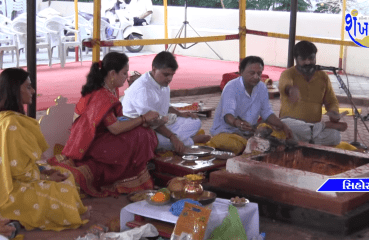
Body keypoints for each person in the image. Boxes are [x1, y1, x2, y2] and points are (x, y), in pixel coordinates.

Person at [48, 52, 159, 197]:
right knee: (140, 135)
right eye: (124, 73)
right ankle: (130, 174)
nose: (127, 77)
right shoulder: (102, 95)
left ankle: (136, 170)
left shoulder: (111, 88)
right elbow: (115, 128)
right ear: (113, 73)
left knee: (143, 132)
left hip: (102, 134)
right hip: (90, 142)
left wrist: (140, 121)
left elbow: (115, 120)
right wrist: (143, 119)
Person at [0, 68, 90, 231]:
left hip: (18, 177)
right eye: (28, 87)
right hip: (9, 188)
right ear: (15, 90)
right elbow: (18, 171)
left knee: (66, 173)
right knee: (60, 187)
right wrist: (46, 178)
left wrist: (46, 172)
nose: (33, 91)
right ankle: (63, 215)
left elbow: (25, 163)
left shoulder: (9, 118)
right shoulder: (12, 124)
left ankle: (70, 212)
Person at [122, 51, 211, 153]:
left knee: (195, 121)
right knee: (155, 140)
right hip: (141, 129)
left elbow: (165, 105)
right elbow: (151, 122)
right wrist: (172, 137)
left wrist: (180, 114)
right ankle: (191, 141)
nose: (170, 79)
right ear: (154, 69)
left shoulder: (163, 85)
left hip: (161, 124)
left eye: (172, 75)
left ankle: (179, 141)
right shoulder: (142, 88)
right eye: (166, 74)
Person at [208, 56, 293, 155]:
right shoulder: (231, 87)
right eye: (252, 73)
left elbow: (267, 113)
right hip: (227, 132)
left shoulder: (262, 87)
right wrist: (238, 123)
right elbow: (228, 116)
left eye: (259, 73)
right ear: (241, 71)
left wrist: (284, 126)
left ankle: (253, 145)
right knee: (232, 144)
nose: (256, 77)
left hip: (250, 132)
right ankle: (254, 145)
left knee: (280, 133)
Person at [278, 41, 348, 146]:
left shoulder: (323, 76)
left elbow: (331, 101)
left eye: (311, 58)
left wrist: (334, 112)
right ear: (296, 59)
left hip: (311, 127)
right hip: (292, 125)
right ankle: (323, 127)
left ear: (315, 57)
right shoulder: (288, 74)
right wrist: (291, 90)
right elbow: (285, 85)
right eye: (303, 59)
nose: (307, 62)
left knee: (335, 136)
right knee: (286, 125)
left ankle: (299, 141)